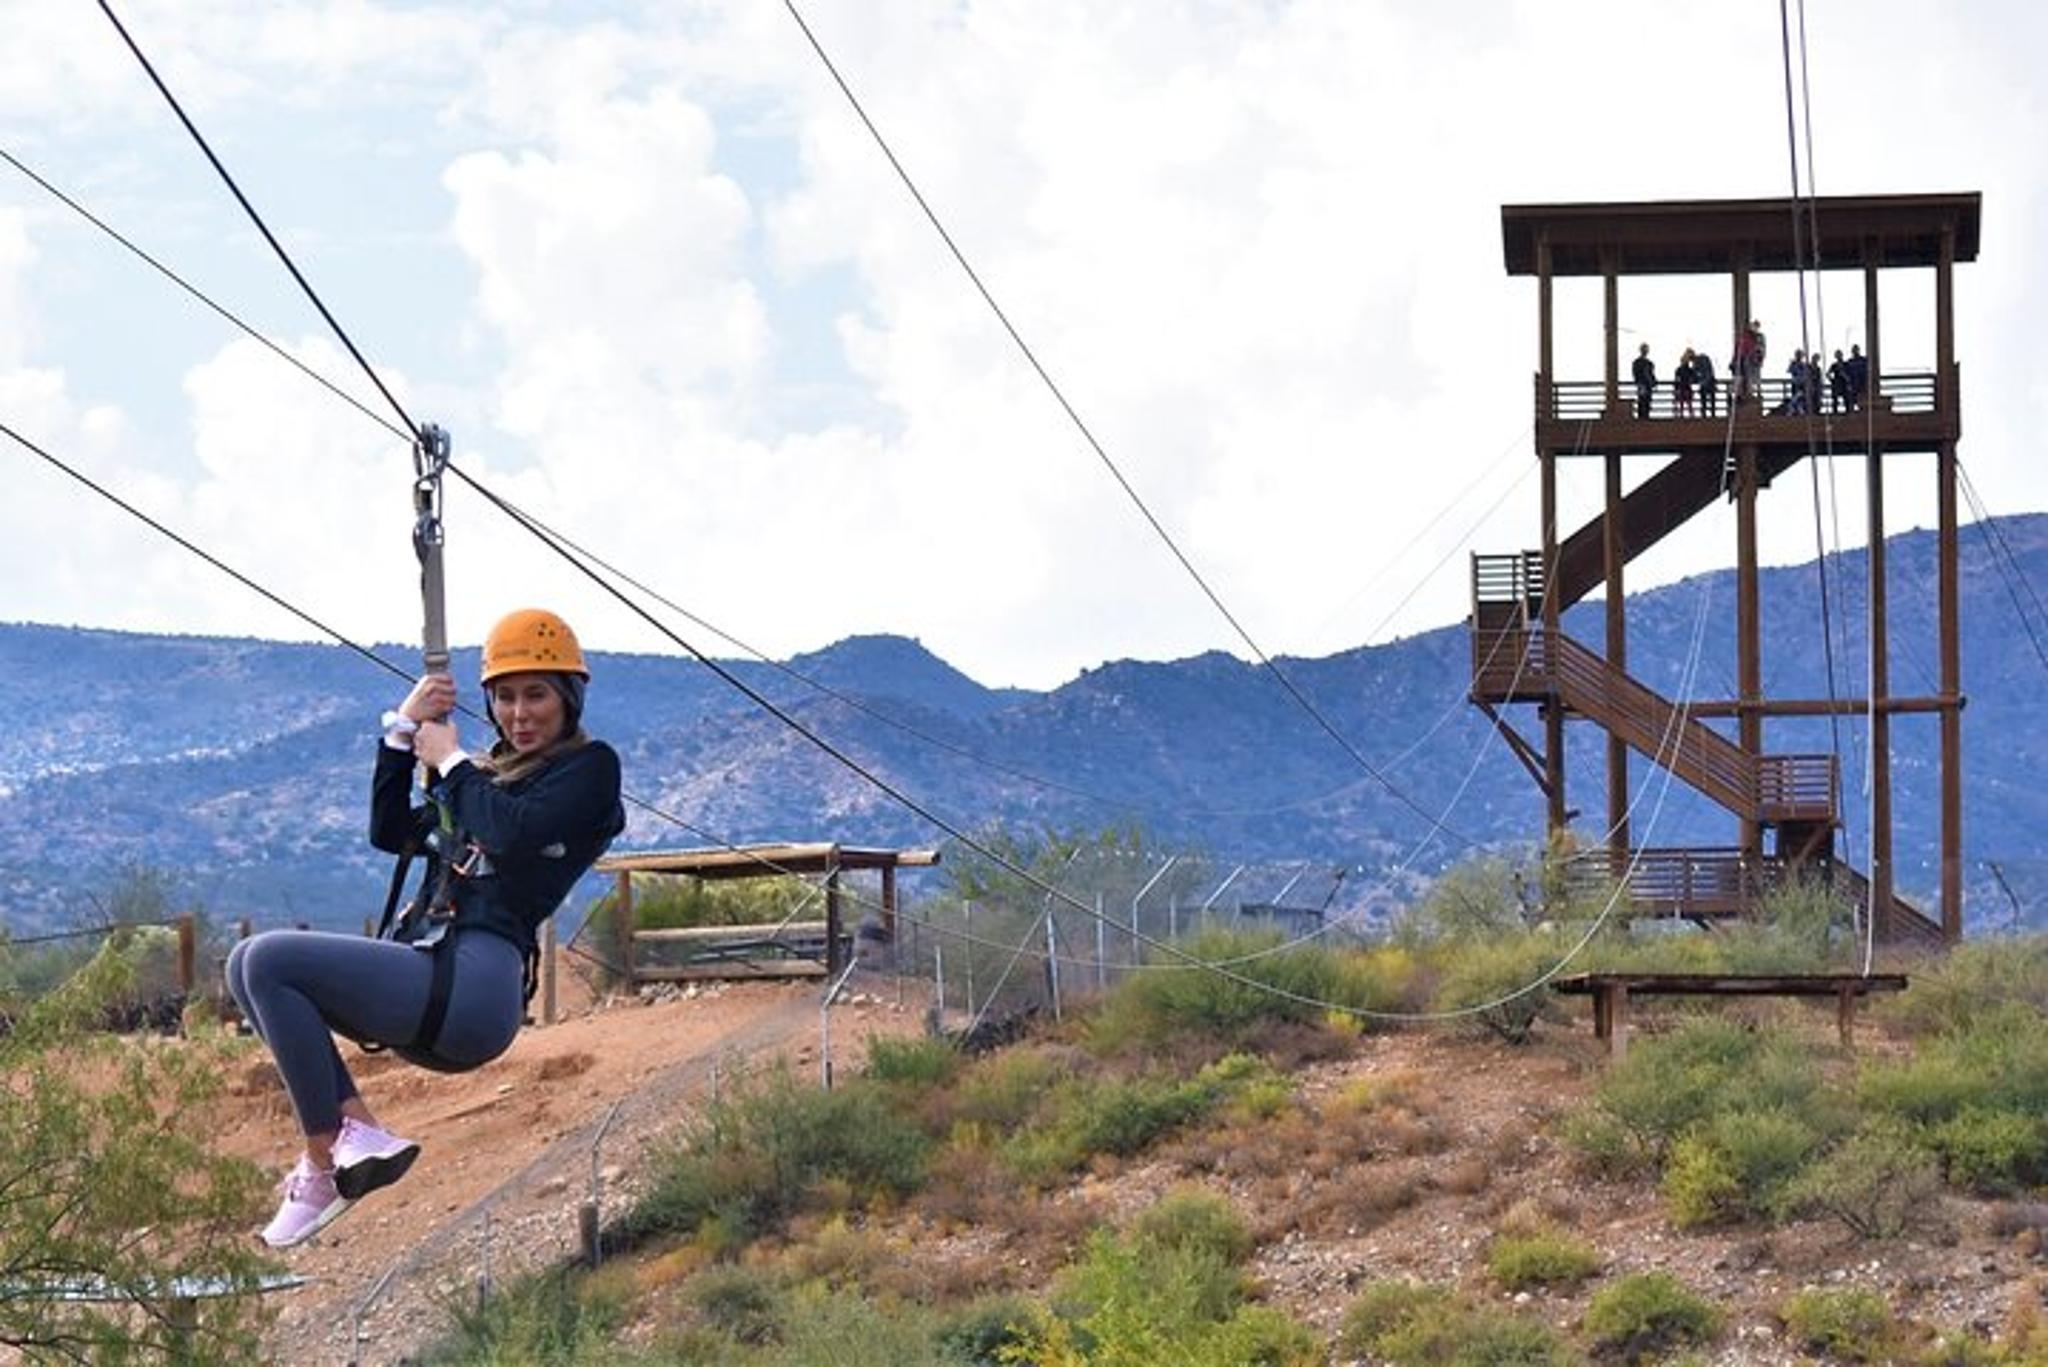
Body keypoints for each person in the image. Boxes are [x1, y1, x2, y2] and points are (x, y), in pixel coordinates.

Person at [225, 608, 625, 1248]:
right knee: (246, 965)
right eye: (505, 697)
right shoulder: (488, 779)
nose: (519, 713)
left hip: (474, 986)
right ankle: (353, 1132)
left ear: (568, 699)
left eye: (536, 696)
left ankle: (323, 1163)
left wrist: (452, 761)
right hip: (433, 971)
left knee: (272, 960)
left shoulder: (589, 772)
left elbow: (511, 832)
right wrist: (401, 734)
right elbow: (390, 832)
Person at [1631, 342, 1656, 419]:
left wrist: (1653, 382)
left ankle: (1644, 416)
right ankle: (1643, 417)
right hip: (1643, 384)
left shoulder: (1648, 363)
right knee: (1643, 401)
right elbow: (1636, 374)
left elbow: (1651, 374)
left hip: (1645, 385)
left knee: (1646, 401)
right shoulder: (1643, 363)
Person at [1695, 348, 1719, 417]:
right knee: (1710, 398)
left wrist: (1701, 381)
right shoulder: (1704, 360)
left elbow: (1698, 374)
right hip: (1709, 382)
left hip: (1706, 383)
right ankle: (1711, 412)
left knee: (1705, 399)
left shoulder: (1698, 362)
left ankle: (1705, 412)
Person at [1845, 343, 1870, 410]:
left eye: (1856, 350)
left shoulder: (1863, 360)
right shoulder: (1849, 362)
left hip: (1862, 384)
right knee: (1851, 401)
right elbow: (1846, 373)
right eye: (1854, 350)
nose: (1855, 352)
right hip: (1853, 384)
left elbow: (1868, 371)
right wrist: (1848, 381)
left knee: (1862, 401)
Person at [1674, 348, 1697, 417]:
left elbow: (1676, 380)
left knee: (1686, 403)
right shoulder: (1685, 370)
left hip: (1684, 387)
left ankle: (1685, 415)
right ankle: (1687, 415)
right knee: (1686, 403)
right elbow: (1677, 380)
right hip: (1684, 387)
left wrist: (1676, 389)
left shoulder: (1680, 370)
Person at [1787, 350, 1810, 415]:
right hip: (1795, 382)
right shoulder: (1793, 363)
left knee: (1801, 397)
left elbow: (1807, 373)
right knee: (1795, 396)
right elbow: (1789, 371)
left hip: (1802, 383)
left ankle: (1799, 409)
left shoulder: (1803, 364)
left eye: (1800, 355)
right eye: (1798, 355)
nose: (1799, 356)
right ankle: (1793, 408)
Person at [1827, 349, 1850, 413]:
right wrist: (1832, 380)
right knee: (1835, 399)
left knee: (1846, 398)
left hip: (1844, 383)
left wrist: (1845, 377)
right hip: (1836, 383)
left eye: (1839, 355)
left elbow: (1850, 374)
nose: (1839, 357)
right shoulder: (1834, 365)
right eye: (1837, 355)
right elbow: (1828, 373)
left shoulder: (1846, 364)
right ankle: (1835, 412)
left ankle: (1847, 412)